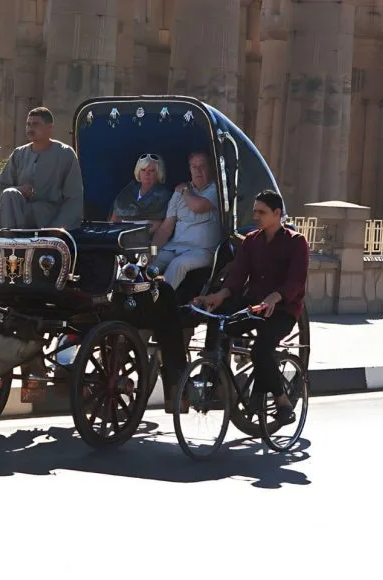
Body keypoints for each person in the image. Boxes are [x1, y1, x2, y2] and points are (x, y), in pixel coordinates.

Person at [192, 189, 309, 425]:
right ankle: (213, 376)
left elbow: (296, 281)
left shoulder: (296, 242)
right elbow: (237, 276)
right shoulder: (252, 241)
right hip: (253, 305)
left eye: (261, 212)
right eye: (255, 211)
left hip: (283, 310)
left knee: (260, 351)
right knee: (219, 317)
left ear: (277, 214)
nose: (256, 216)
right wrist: (220, 295)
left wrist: (276, 297)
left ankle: (282, 401)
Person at [0, 107, 85, 230]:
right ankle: (6, 241)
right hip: (17, 215)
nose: (30, 128)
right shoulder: (19, 154)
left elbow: (73, 197)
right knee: (10, 193)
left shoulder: (65, 154)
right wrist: (19, 190)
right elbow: (1, 189)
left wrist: (57, 230)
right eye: (28, 124)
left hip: (48, 218)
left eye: (35, 124)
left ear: (50, 127)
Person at [150, 151, 222, 289]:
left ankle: (161, 304)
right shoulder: (180, 192)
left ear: (210, 168)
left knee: (178, 264)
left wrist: (184, 191)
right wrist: (152, 250)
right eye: (194, 167)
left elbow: (198, 206)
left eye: (202, 166)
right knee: (150, 264)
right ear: (189, 169)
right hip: (175, 247)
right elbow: (166, 227)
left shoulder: (216, 190)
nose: (198, 170)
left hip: (202, 251)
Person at [109, 153, 172, 229]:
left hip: (144, 236)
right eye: (143, 170)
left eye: (151, 171)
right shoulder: (127, 192)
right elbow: (113, 220)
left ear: (159, 173)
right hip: (119, 234)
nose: (147, 174)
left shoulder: (164, 196)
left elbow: (159, 224)